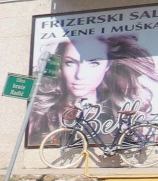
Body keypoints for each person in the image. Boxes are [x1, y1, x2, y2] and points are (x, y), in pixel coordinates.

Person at [29, 34, 158, 142]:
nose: (79, 75)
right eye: (70, 63)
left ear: (108, 66)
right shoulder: (40, 112)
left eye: (94, 63)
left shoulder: (119, 109)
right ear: (61, 65)